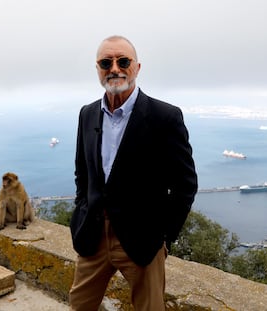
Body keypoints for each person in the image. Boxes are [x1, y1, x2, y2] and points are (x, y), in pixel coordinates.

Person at [69, 35, 198, 311]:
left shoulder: (165, 117)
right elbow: (83, 174)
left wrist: (163, 236)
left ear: (137, 67)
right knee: (79, 305)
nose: (114, 68)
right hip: (93, 236)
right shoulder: (87, 114)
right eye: (106, 62)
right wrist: (81, 213)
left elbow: (185, 185)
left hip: (142, 241)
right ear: (98, 69)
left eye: (123, 61)